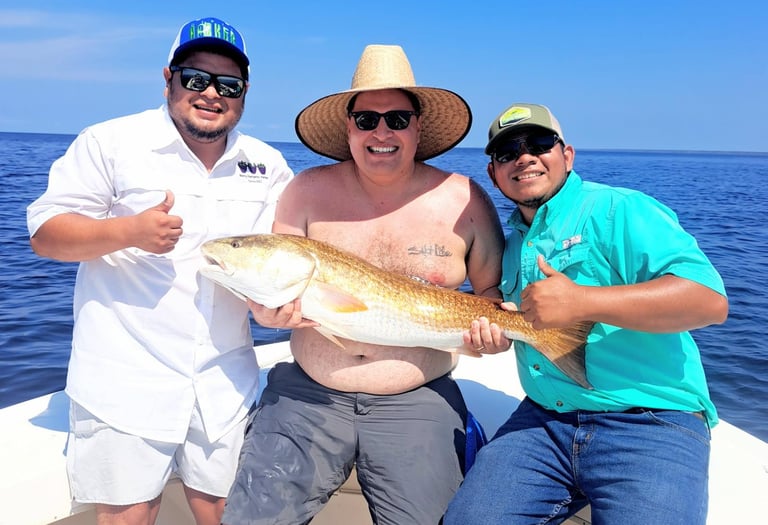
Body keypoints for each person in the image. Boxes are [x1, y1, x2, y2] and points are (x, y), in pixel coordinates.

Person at [221, 44, 507, 525]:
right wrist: (266, 311)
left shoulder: (464, 198)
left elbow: (492, 294)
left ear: (418, 127)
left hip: (418, 400)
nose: (382, 132)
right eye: (367, 119)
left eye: (397, 119)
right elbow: (276, 275)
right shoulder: (306, 191)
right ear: (349, 128)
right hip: (307, 394)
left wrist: (494, 334)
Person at [26, 17, 293, 525]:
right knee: (130, 516)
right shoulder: (110, 141)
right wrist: (127, 231)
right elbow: (46, 235)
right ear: (169, 78)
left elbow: (277, 262)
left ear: (245, 92)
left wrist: (275, 308)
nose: (211, 94)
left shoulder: (267, 163)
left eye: (229, 85)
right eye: (196, 78)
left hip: (226, 382)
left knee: (229, 513)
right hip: (124, 382)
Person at [444, 103, 729, 524]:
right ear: (493, 173)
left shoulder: (619, 209)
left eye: (539, 143)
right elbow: (518, 324)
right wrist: (492, 339)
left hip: (651, 420)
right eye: (507, 152)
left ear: (567, 155)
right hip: (544, 419)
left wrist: (583, 302)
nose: (524, 157)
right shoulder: (513, 243)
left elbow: (709, 301)